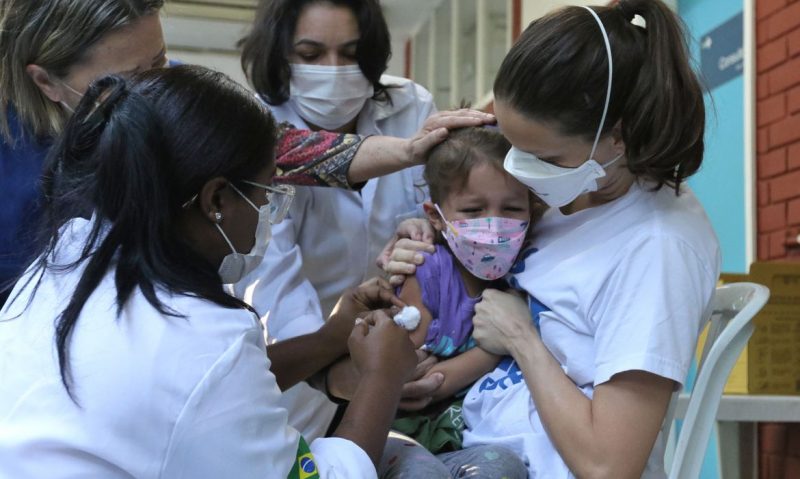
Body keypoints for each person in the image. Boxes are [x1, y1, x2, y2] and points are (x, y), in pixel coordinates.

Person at [0, 65, 420, 479]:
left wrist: (329, 339)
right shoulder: (200, 341)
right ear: (216, 199)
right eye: (266, 193)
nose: (269, 210)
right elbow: (209, 380)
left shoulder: (74, 251)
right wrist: (383, 377)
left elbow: (210, 391)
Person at [379, 1, 721, 477]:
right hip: (463, 440)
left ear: (618, 138)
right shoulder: (569, 193)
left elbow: (609, 465)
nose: (521, 170)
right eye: (515, 146)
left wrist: (520, 337)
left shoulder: (658, 247)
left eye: (544, 156)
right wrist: (424, 234)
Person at [0, 0, 492, 307]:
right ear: (45, 80)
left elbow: (278, 149)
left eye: (161, 61)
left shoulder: (174, 93)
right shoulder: (14, 153)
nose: (156, 90)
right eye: (132, 78)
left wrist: (408, 150)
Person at [237, 0, 437, 440]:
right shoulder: (254, 130)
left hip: (399, 343)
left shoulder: (410, 108)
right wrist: (349, 371)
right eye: (310, 55)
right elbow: (276, 285)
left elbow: (430, 218)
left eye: (350, 53)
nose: (334, 69)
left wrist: (419, 232)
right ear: (280, 56)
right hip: (300, 361)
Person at [376, 127, 534, 479]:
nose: (494, 225)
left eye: (511, 208)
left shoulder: (528, 271)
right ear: (435, 216)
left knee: (504, 469)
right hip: (402, 436)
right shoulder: (426, 271)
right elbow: (422, 383)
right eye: (473, 210)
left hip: (467, 440)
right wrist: (499, 348)